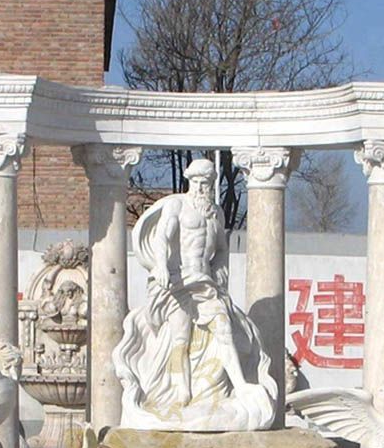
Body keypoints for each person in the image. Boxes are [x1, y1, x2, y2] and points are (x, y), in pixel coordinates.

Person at [114, 159, 276, 430]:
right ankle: (182, 394)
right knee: (180, 338)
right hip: (178, 281)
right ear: (190, 181)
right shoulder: (177, 206)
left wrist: (221, 270)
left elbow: (222, 247)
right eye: (199, 182)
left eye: (208, 183)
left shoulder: (216, 214)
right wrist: (161, 267)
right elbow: (163, 238)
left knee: (224, 326)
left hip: (204, 281)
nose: (203, 188)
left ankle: (240, 385)